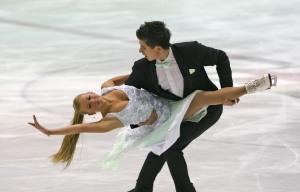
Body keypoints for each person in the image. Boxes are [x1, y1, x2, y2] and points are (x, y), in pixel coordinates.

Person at [101, 21, 276, 192]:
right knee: (163, 143)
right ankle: (143, 188)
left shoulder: (190, 51)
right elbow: (129, 94)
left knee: (171, 146)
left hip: (206, 109)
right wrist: (129, 117)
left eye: (143, 46)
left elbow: (220, 57)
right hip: (173, 113)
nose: (140, 50)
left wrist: (226, 90)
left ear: (157, 48)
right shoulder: (142, 68)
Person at [28, 74, 276, 171]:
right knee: (204, 97)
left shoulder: (106, 87)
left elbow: (136, 73)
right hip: (170, 118)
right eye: (89, 105)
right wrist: (50, 132)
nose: (93, 101)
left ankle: (226, 98)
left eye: (89, 97)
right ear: (91, 112)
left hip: (165, 95)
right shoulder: (109, 122)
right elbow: (79, 127)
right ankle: (253, 87)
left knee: (206, 94)